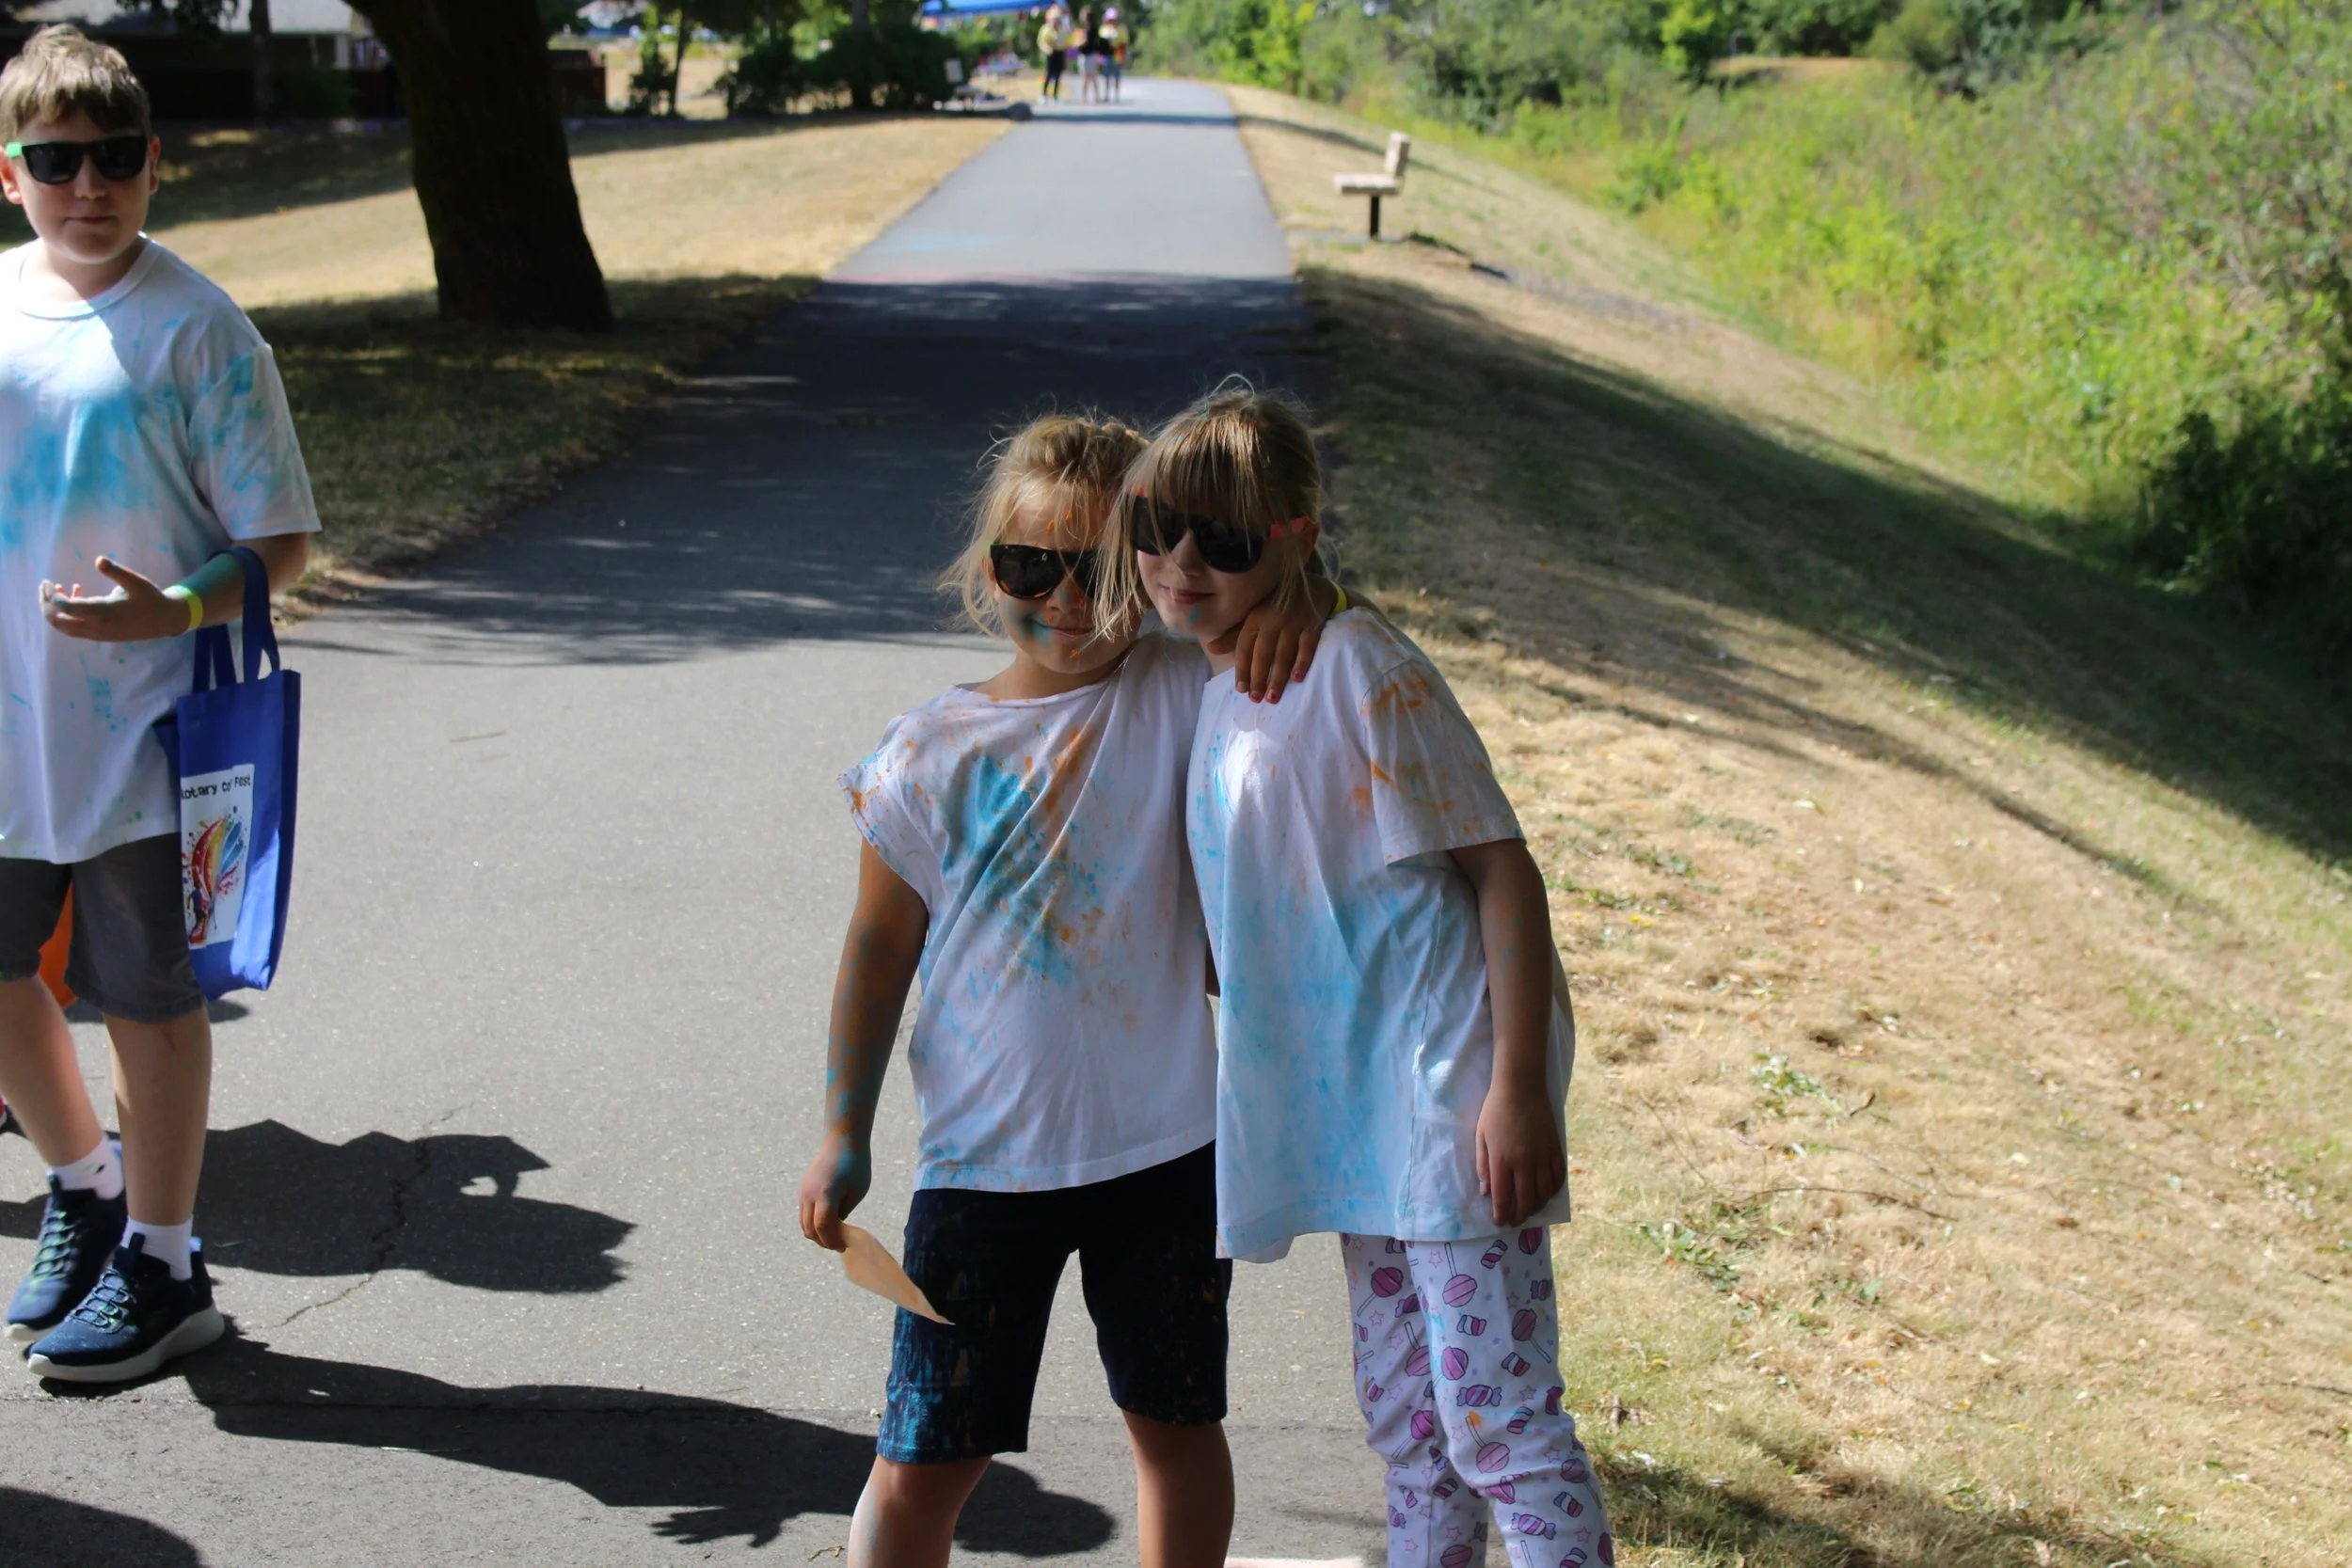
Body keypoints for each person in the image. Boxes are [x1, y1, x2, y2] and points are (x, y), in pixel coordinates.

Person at [798, 415, 1324, 1568]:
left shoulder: (1185, 684)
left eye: (1095, 568)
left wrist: (1291, 601)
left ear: (1143, 564)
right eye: (1030, 565)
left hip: (1166, 1154)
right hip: (984, 1164)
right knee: (929, 1450)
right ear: (989, 569)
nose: (1068, 598)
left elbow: (1286, 604)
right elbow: (877, 950)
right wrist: (843, 1130)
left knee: (1176, 1422)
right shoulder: (927, 752)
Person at [1109, 383, 1617, 1568]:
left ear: (1293, 536)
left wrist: (1518, 1090)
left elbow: (1504, 870)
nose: (1179, 562)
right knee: (1410, 1425)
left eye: (1223, 541)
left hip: (1448, 1105)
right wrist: (1293, 595)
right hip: (1357, 1122)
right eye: (1155, 527)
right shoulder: (1226, 668)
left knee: (1502, 1423)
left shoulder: (1358, 668)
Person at [0, 25, 318, 1383]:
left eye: (114, 157)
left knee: (145, 993)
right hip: (8, 727)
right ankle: (82, 1184)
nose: (88, 186)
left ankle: (170, 1256)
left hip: (146, 734)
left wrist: (175, 608)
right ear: (10, 171)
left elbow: (282, 541)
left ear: (154, 164)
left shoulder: (201, 330)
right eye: (57, 159)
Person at [1037, 4, 1069, 102]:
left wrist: (1066, 56)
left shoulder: (1062, 30)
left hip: (1059, 53)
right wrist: (1048, 48)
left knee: (1058, 75)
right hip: (1051, 54)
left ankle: (1055, 95)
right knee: (1049, 74)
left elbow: (1065, 43)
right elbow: (1041, 42)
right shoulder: (1046, 29)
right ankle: (1044, 95)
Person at [1075, 6, 1103, 104]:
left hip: (1089, 54)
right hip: (1087, 54)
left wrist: (1077, 44)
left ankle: (1086, 97)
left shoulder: (1091, 28)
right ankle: (1092, 96)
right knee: (1089, 76)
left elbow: (1086, 41)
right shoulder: (1087, 28)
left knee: (1088, 76)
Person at [1101, 6, 1125, 103]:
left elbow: (1124, 44)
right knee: (1106, 75)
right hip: (1107, 54)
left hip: (1117, 53)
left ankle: (1116, 95)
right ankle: (1106, 94)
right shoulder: (1104, 29)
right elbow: (1102, 44)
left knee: (1117, 75)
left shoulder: (1121, 29)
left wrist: (1123, 56)